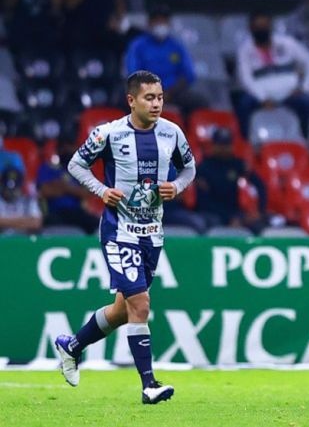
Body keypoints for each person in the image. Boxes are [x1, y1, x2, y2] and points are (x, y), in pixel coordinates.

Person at [55, 70, 196, 404]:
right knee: (141, 304)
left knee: (122, 310)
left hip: (153, 233)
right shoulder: (108, 134)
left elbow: (190, 168)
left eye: (160, 97)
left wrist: (176, 186)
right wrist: (101, 190)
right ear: (131, 100)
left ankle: (71, 346)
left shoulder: (172, 133)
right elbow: (76, 164)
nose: (157, 104)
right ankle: (149, 385)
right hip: (119, 231)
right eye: (150, 98)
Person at [236, 11, 309, 138]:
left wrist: (305, 88)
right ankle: (246, 142)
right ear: (251, 28)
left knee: (307, 102)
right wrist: (263, 98)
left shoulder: (287, 43)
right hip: (261, 94)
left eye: (265, 26)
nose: (262, 29)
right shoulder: (245, 50)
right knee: (244, 103)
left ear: (270, 26)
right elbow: (245, 79)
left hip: (290, 93)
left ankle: (307, 141)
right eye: (258, 26)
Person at [124, 4, 205, 115]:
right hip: (144, 92)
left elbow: (189, 74)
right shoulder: (138, 45)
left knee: (199, 101)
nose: (160, 24)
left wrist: (170, 92)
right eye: (157, 21)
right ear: (149, 23)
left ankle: (187, 131)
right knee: (124, 99)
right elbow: (133, 73)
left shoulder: (176, 46)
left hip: (173, 93)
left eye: (163, 21)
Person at [36, 136, 100, 233]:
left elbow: (87, 193)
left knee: (97, 224)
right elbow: (44, 191)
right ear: (58, 149)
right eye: (63, 147)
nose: (67, 150)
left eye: (70, 147)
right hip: (54, 211)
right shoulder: (48, 168)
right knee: (46, 224)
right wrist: (73, 190)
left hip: (76, 211)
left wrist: (65, 188)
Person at [0, 166, 42, 234]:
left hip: (24, 240)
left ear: (21, 186)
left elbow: (36, 223)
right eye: (8, 189)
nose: (11, 192)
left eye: (15, 189)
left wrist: (4, 222)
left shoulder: (28, 201)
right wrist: (24, 221)